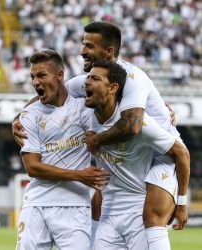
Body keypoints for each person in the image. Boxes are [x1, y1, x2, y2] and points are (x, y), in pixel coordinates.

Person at [12, 21, 182, 249]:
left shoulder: (133, 78)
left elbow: (132, 126)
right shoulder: (89, 81)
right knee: (99, 212)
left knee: (151, 217)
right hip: (129, 157)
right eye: (83, 44)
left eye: (89, 46)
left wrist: (96, 140)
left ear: (108, 52)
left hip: (161, 155)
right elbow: (55, 91)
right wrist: (19, 117)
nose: (82, 51)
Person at [84, 59, 190, 250]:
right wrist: (20, 119)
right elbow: (53, 103)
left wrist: (182, 204)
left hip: (138, 211)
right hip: (108, 214)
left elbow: (182, 153)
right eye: (87, 77)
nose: (86, 82)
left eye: (95, 78)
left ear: (112, 88)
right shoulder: (85, 115)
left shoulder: (141, 125)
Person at [16, 49, 110, 250]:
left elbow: (120, 105)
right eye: (32, 77)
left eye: (41, 75)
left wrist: (157, 107)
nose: (35, 82)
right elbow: (32, 167)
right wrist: (78, 175)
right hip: (37, 205)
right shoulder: (29, 116)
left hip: (75, 207)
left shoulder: (84, 109)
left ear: (60, 75)